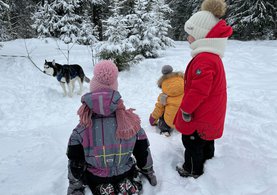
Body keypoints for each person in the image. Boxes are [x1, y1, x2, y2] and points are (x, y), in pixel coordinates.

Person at [66, 60, 157, 195]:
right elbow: (142, 150)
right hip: (125, 172)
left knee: (94, 176)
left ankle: (102, 186)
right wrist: (148, 170)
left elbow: (75, 160)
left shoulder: (83, 127)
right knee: (126, 172)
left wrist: (75, 186)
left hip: (96, 176)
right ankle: (124, 183)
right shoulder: (130, 123)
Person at [173, 0, 233, 178]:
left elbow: (199, 91)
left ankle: (192, 169)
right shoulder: (210, 56)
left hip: (200, 114)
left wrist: (186, 108)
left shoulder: (205, 59)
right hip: (210, 114)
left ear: (201, 35)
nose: (187, 37)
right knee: (206, 138)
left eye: (190, 34)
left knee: (191, 142)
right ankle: (208, 157)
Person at [149, 65, 184, 137]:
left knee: (163, 110)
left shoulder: (164, 97)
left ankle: (165, 130)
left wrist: (153, 118)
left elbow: (158, 109)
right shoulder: (186, 92)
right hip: (185, 120)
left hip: (171, 122)